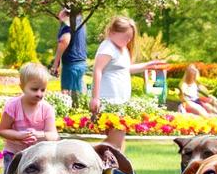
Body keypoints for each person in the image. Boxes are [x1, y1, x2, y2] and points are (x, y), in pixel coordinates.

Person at [90, 15, 168, 151]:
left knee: (118, 141)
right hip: (110, 100)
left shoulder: (122, 48)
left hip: (121, 100)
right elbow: (97, 70)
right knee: (115, 142)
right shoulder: (107, 47)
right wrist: (95, 98)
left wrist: (147, 65)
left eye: (130, 37)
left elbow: (126, 69)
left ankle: (115, 169)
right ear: (113, 33)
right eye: (125, 37)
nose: (128, 40)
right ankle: (87, 152)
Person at [0, 62, 59, 174]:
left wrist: (39, 135)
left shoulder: (46, 109)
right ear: (22, 87)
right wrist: (18, 136)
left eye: (43, 90)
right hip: (13, 154)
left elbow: (53, 135)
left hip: (38, 156)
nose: (39, 94)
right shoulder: (13, 106)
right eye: (34, 89)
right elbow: (2, 130)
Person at [51, 8, 88, 101]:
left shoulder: (68, 24)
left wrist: (55, 64)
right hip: (80, 63)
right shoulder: (80, 21)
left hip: (71, 66)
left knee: (69, 101)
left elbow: (64, 41)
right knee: (79, 98)